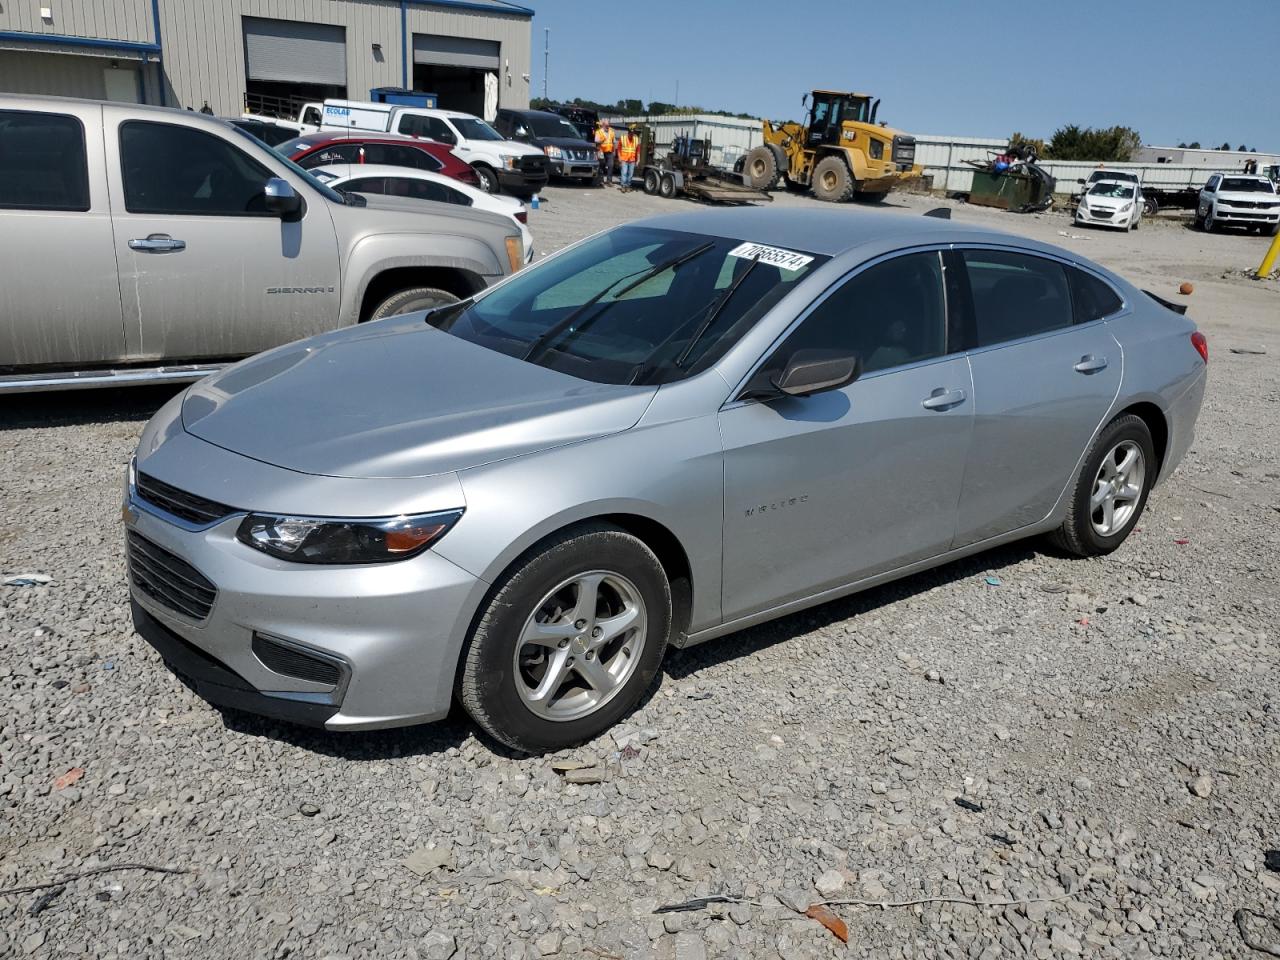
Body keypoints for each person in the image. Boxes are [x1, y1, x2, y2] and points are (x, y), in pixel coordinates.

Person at [618, 124, 640, 192]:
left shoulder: (636, 139)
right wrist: (619, 157)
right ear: (628, 132)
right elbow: (619, 148)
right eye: (630, 133)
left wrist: (638, 159)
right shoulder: (623, 138)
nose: (631, 135)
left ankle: (628, 186)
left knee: (630, 174)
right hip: (624, 159)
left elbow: (638, 150)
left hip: (632, 160)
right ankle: (623, 186)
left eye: (633, 133)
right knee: (624, 173)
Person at [594, 119, 616, 186]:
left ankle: (609, 181)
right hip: (601, 151)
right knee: (601, 166)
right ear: (603, 125)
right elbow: (596, 141)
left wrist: (614, 151)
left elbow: (614, 142)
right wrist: (601, 141)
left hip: (609, 151)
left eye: (608, 125)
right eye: (606, 125)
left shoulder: (611, 132)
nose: (607, 126)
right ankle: (601, 180)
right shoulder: (599, 132)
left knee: (611, 165)